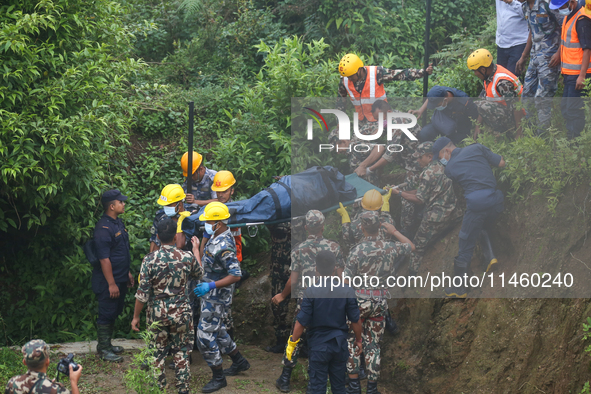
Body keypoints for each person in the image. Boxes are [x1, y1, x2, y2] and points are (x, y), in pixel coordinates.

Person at [272, 210, 343, 393]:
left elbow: (293, 280)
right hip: (328, 299)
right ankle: (315, 382)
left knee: (295, 337)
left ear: (305, 227)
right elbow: (341, 277)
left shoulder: (299, 249)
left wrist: (282, 295)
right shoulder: (334, 248)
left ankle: (286, 377)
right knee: (321, 337)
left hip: (306, 298)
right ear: (323, 226)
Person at [344, 211, 415, 394]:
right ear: (379, 227)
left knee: (352, 341)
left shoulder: (356, 251)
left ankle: (354, 388)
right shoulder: (390, 247)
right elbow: (411, 246)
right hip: (380, 302)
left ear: (362, 227)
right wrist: (394, 231)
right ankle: (372, 389)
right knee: (373, 345)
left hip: (359, 302)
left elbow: (345, 281)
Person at [131, 219, 204, 394]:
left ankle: (159, 389)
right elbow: (199, 274)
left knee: (157, 354)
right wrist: (195, 250)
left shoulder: (149, 260)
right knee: (181, 352)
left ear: (157, 237)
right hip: (182, 312)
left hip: (157, 313)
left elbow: (142, 293)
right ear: (175, 236)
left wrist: (135, 317)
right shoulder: (186, 257)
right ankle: (183, 389)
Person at [432, 137, 506, 299]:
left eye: (440, 157)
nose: (441, 161)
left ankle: (460, 288)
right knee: (481, 225)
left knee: (465, 241)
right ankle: (489, 257)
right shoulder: (477, 148)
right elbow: (501, 163)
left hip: (477, 205)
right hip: (496, 202)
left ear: (447, 151)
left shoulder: (449, 168)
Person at [284, 250, 363, 394]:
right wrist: (358, 340)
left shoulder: (311, 292)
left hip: (319, 346)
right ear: (334, 268)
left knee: (317, 387)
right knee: (339, 387)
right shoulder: (347, 291)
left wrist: (292, 343)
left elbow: (301, 322)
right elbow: (355, 320)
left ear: (316, 269)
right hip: (339, 346)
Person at [193, 202, 250, 393]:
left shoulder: (224, 244)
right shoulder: (216, 236)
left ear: (218, 222)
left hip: (216, 296)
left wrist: (211, 285)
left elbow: (236, 274)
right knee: (218, 331)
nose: (206, 224)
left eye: (208, 221)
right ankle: (239, 361)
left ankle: (218, 377)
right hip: (211, 294)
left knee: (203, 335)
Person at [390, 142, 462, 275]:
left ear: (429, 156)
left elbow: (419, 199)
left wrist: (399, 194)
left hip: (436, 217)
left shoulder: (427, 173)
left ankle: (410, 277)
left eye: (420, 157)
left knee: (417, 248)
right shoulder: (442, 166)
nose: (417, 161)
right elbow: (423, 191)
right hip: (454, 212)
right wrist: (401, 190)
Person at [200, 170, 247, 341]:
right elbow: (205, 237)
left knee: (225, 305)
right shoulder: (213, 209)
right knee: (214, 303)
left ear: (232, 191)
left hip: (230, 263)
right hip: (213, 264)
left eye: (224, 191)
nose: (221, 195)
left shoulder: (237, 209)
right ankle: (216, 340)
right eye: (218, 191)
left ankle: (228, 344)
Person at [337, 54, 432, 128]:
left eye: (351, 76)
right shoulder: (344, 80)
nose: (349, 79)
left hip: (382, 118)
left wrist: (423, 72)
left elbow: (400, 74)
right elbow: (341, 101)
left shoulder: (376, 73)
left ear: (359, 70)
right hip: (362, 121)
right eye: (347, 76)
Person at [92, 189, 133, 362]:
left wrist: (128, 273)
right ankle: (103, 349)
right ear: (111, 206)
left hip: (120, 277)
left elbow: (121, 252)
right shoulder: (103, 228)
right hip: (108, 280)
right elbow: (104, 259)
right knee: (106, 312)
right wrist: (111, 283)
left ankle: (107, 345)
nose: (123, 204)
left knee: (115, 311)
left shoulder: (117, 223)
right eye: (121, 202)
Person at [515, 0, 562, 133]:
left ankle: (543, 136)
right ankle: (531, 132)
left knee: (542, 99)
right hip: (535, 56)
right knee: (527, 95)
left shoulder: (547, 4)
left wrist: (560, 52)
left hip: (550, 57)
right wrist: (524, 56)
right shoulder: (525, 7)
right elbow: (532, 31)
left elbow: (566, 26)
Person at [550, 0, 591, 139]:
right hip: (569, 74)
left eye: (561, 7)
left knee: (573, 110)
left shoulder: (582, 19)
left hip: (578, 75)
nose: (560, 10)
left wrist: (582, 76)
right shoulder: (569, 15)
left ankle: (574, 142)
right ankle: (571, 139)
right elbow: (567, 42)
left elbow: (587, 49)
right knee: (565, 108)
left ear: (571, 2)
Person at [467, 48, 526, 139]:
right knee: (478, 104)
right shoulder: (489, 75)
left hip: (520, 115)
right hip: (505, 110)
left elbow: (516, 107)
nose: (475, 74)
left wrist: (519, 133)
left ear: (483, 70)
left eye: (475, 71)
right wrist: (477, 127)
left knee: (481, 104)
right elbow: (484, 98)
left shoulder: (502, 83)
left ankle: (511, 131)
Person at [5, 339, 83, 394]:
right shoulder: (56, 390)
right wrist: (74, 382)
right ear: (47, 361)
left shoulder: (12, 383)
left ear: (24, 362)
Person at [410, 86, 479, 144]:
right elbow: (431, 98)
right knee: (424, 134)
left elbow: (478, 115)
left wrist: (477, 129)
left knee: (447, 146)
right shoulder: (440, 91)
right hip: (439, 124)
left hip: (457, 132)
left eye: (437, 105)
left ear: (445, 100)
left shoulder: (465, 102)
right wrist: (420, 110)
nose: (436, 107)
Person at [265, 222, 293, 353]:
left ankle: (304, 343)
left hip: (295, 270)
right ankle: (281, 341)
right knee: (277, 307)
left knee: (303, 308)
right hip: (278, 272)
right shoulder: (277, 219)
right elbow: (267, 222)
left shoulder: (299, 218)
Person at [149, 184, 191, 253]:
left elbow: (180, 244)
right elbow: (154, 241)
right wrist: (152, 259)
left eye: (169, 205)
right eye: (165, 205)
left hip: (184, 259)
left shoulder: (191, 216)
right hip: (163, 258)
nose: (166, 208)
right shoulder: (160, 216)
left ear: (179, 205)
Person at [496, 0, 530, 74]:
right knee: (501, 75)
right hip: (501, 42)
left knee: (512, 76)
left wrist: (511, 2)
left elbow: (527, 14)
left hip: (518, 43)